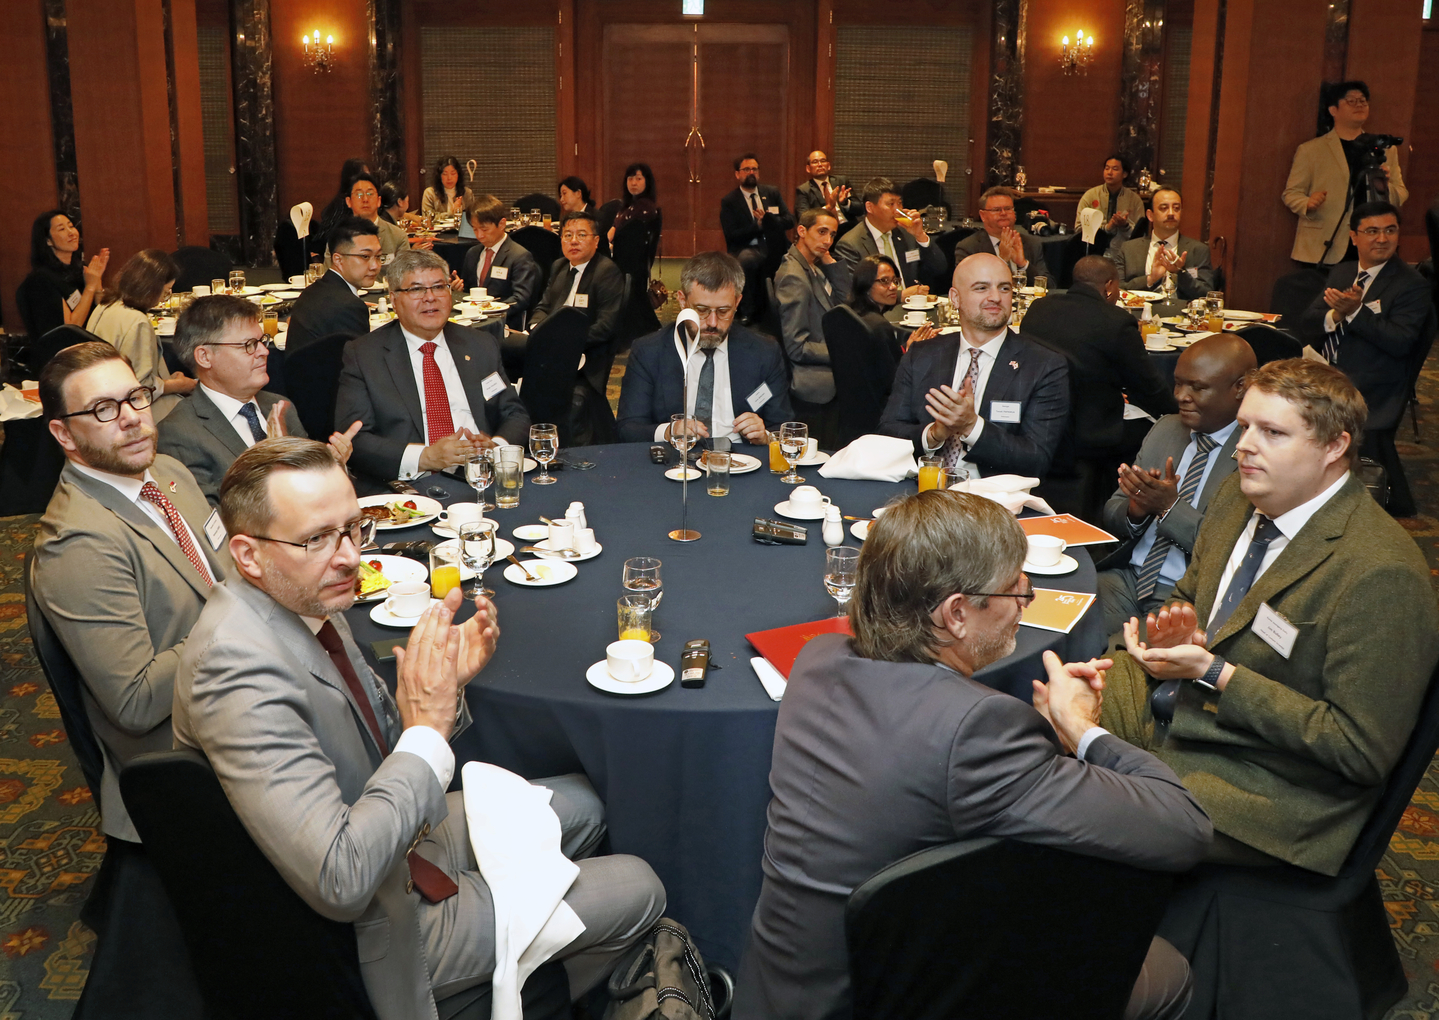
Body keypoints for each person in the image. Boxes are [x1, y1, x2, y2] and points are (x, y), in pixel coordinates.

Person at [171, 437, 666, 1020]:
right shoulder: (235, 668)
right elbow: (340, 877)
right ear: (249, 556)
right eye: (316, 539)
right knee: (640, 886)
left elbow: (389, 744)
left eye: (353, 529)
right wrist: (427, 728)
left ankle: (521, 971)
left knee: (588, 803)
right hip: (376, 925)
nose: (349, 557)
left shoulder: (304, 598)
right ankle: (519, 996)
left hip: (399, 840)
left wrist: (443, 692)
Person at [734, 488, 1211, 1020]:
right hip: (875, 1000)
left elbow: (929, 765)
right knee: (1166, 972)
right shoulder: (976, 729)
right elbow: (1184, 828)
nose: (1027, 598)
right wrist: (1078, 728)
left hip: (775, 987)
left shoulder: (817, 659)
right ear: (956, 613)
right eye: (1015, 588)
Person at [1101, 358, 1439, 873]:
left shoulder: (1381, 573)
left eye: (1272, 432)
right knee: (1037, 716)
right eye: (1244, 427)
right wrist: (1173, 629)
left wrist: (1216, 672)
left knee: (1076, 812)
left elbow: (1358, 750)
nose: (1244, 447)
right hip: (1182, 712)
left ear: (1334, 446)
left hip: (1266, 783)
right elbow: (1190, 595)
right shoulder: (1238, 498)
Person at [32, 341, 228, 846]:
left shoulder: (167, 473)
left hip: (235, 691)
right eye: (103, 408)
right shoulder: (77, 542)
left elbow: (222, 573)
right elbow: (136, 702)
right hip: (191, 757)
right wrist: (242, 621)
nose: (131, 418)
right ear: (63, 433)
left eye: (135, 397)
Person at [1095, 333, 1255, 637]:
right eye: (1178, 383)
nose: (1181, 396)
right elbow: (1112, 515)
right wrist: (1136, 510)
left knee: (1124, 655)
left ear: (1240, 387)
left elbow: (1229, 551)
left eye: (1197, 387)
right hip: (1127, 579)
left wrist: (1169, 508)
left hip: (1187, 597)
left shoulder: (1253, 453)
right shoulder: (1166, 429)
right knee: (1050, 619)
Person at [335, 249, 530, 484]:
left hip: (481, 475)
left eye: (439, 287)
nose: (430, 298)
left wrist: (495, 448)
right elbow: (355, 438)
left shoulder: (479, 344)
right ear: (394, 299)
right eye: (416, 289)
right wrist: (425, 457)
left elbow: (514, 413)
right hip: (413, 483)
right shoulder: (365, 355)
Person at [878, 253, 1069, 479]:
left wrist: (971, 426)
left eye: (1004, 288)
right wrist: (933, 434)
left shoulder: (1044, 366)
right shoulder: (922, 356)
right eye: (981, 288)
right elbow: (887, 435)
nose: (995, 297)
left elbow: (1036, 459)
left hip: (992, 496)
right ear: (955, 298)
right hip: (921, 489)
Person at [158, 293, 359, 504]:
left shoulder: (279, 406)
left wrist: (329, 470)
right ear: (205, 357)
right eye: (249, 345)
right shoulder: (179, 434)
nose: (264, 351)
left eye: (262, 341)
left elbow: (310, 489)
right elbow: (212, 516)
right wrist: (274, 462)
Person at [1299, 200, 1433, 517]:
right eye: (1372, 231)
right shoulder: (1344, 271)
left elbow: (1400, 342)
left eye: (1390, 230)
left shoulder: (1412, 284)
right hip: (1326, 371)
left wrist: (1356, 312)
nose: (1382, 239)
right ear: (1354, 236)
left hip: (1373, 383)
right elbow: (1308, 321)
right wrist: (1336, 315)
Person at [616, 251, 793, 445]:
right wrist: (669, 431)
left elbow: (783, 427)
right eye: (701, 310)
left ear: (737, 302)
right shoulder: (649, 351)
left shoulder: (764, 352)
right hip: (677, 457)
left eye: (723, 311)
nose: (712, 322)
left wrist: (766, 435)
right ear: (682, 300)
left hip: (742, 456)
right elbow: (628, 428)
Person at [1021, 255, 1176, 459]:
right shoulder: (1117, 321)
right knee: (1162, 434)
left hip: (1038, 420)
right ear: (1109, 286)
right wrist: (1177, 413)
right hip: (1094, 431)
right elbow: (1149, 387)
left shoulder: (1038, 308)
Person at [1283, 81, 1409, 269]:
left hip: (1369, 243)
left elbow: (1401, 194)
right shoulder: (1310, 150)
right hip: (1325, 244)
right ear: (1333, 110)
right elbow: (1291, 194)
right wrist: (1307, 203)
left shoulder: (1384, 149)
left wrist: (1385, 186)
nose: (1359, 105)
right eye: (1351, 101)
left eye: (1363, 101)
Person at [527, 209, 626, 435]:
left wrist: (563, 342)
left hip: (586, 355)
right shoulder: (559, 266)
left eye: (581, 235)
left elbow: (605, 327)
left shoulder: (606, 271)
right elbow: (542, 307)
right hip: (550, 348)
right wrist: (536, 328)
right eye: (567, 235)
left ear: (596, 241)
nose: (573, 241)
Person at [84, 248, 196, 421]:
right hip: (130, 410)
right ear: (151, 288)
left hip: (101, 397)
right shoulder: (137, 322)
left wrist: (166, 381)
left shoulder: (105, 305)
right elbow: (140, 391)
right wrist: (177, 386)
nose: (164, 298)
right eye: (166, 291)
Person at [773, 207, 850, 416]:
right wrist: (841, 352)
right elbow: (797, 346)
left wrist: (830, 262)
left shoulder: (811, 266)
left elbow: (845, 303)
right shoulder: (794, 277)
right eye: (822, 232)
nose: (828, 241)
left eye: (832, 235)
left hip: (827, 358)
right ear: (801, 231)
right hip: (814, 377)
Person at [832, 177, 945, 299]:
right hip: (878, 309)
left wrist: (920, 235)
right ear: (870, 207)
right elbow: (856, 292)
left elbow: (939, 269)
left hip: (914, 306)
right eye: (891, 204)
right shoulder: (850, 244)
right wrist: (900, 296)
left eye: (900, 203)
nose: (898, 210)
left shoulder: (906, 233)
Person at [286, 216, 381, 355]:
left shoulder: (313, 290)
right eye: (365, 256)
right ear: (338, 260)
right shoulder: (349, 306)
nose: (375, 266)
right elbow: (362, 362)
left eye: (378, 256)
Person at [718, 153, 796, 322]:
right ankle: (748, 311)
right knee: (747, 261)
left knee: (796, 258)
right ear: (737, 174)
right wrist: (758, 227)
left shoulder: (772, 193)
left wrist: (769, 221)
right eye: (746, 169)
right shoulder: (730, 201)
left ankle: (789, 307)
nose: (751, 172)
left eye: (754, 169)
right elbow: (732, 235)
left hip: (775, 244)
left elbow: (790, 220)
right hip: (748, 246)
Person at [1109, 189, 1216, 300]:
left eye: (1176, 208)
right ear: (1150, 215)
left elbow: (1206, 293)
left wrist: (1179, 273)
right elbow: (1118, 290)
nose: (1171, 213)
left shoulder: (1198, 250)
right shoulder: (1128, 249)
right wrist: (1151, 279)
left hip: (1181, 310)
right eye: (1164, 208)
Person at [458, 195, 542, 331]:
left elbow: (520, 299)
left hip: (503, 324)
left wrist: (489, 310)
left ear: (502, 224)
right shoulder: (472, 253)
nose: (479, 235)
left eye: (484, 229)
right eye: (475, 229)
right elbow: (468, 290)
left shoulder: (519, 256)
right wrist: (459, 289)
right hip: (471, 322)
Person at [20, 210, 109, 338]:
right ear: (48, 241)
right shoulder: (41, 279)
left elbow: (102, 315)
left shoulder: (79, 268)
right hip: (65, 349)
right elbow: (70, 329)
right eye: (62, 229)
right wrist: (90, 287)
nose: (71, 233)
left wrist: (97, 281)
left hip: (91, 344)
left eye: (71, 226)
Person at [844, 254, 936, 364]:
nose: (893, 287)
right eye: (884, 281)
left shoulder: (852, 314)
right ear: (866, 285)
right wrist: (911, 352)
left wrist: (907, 346)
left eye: (895, 281)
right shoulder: (878, 325)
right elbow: (894, 371)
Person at [950, 187, 1046, 285]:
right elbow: (965, 285)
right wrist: (1002, 261)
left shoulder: (1032, 244)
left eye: (1008, 209)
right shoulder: (969, 248)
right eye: (996, 210)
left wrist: (1023, 264)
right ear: (983, 215)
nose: (1003, 213)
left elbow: (1048, 285)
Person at [341, 172, 419, 258]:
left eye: (370, 194)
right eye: (359, 194)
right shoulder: (339, 237)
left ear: (379, 201)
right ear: (348, 201)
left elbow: (404, 266)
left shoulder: (398, 236)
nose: (365, 199)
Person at [1076, 155, 1146, 245]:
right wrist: (1106, 228)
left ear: (1125, 174)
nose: (1109, 172)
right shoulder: (1090, 195)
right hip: (1094, 247)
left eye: (1115, 169)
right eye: (1107, 168)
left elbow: (1140, 234)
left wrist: (1124, 225)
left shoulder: (1134, 200)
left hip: (1123, 247)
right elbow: (1078, 228)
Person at [793, 150, 862, 224]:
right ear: (808, 168)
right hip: (823, 227)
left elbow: (860, 210)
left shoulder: (842, 182)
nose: (820, 164)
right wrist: (828, 207)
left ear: (828, 166)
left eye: (823, 161)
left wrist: (845, 202)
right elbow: (803, 217)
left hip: (848, 226)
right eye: (815, 162)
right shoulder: (804, 190)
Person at [608, 162, 661, 243]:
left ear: (647, 182)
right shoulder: (624, 208)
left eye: (638, 179)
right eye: (630, 179)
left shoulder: (648, 209)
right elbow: (610, 235)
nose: (633, 183)